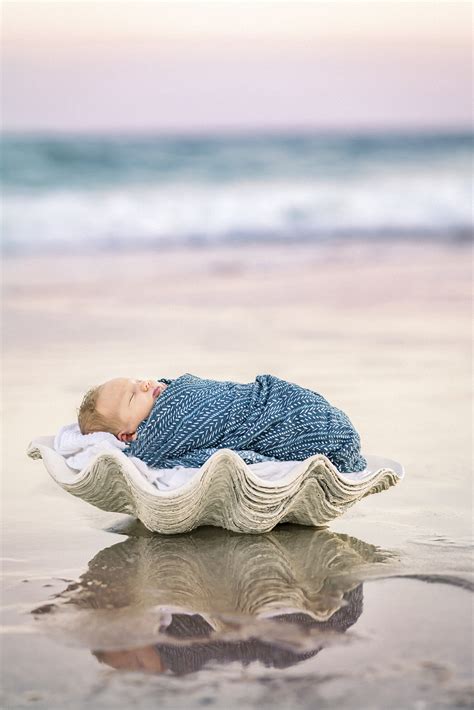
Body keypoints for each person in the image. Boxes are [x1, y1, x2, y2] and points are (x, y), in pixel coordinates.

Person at [77, 373, 367, 472]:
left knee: (296, 412)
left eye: (137, 380)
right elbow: (215, 458)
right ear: (128, 435)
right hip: (293, 427)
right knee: (288, 427)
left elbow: (231, 399)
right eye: (132, 398)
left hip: (274, 399)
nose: (144, 385)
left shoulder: (180, 392)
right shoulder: (163, 433)